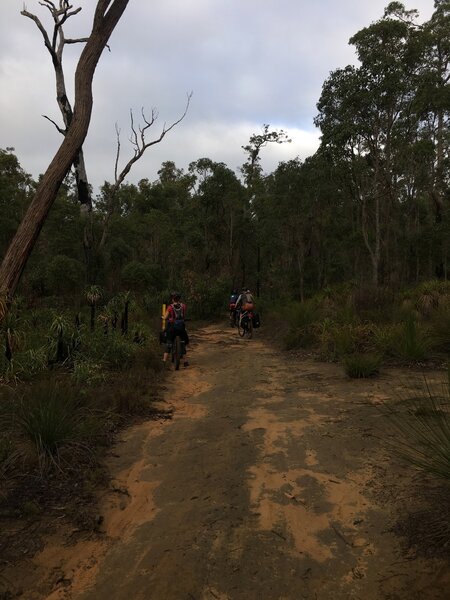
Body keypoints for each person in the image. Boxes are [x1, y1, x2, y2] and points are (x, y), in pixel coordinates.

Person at [162, 292, 189, 367]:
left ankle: (164, 361)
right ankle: (185, 361)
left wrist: (164, 317)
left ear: (173, 299)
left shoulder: (170, 307)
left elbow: (165, 317)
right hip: (181, 327)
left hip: (172, 327)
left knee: (169, 342)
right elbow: (183, 316)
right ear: (179, 299)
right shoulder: (183, 306)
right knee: (183, 343)